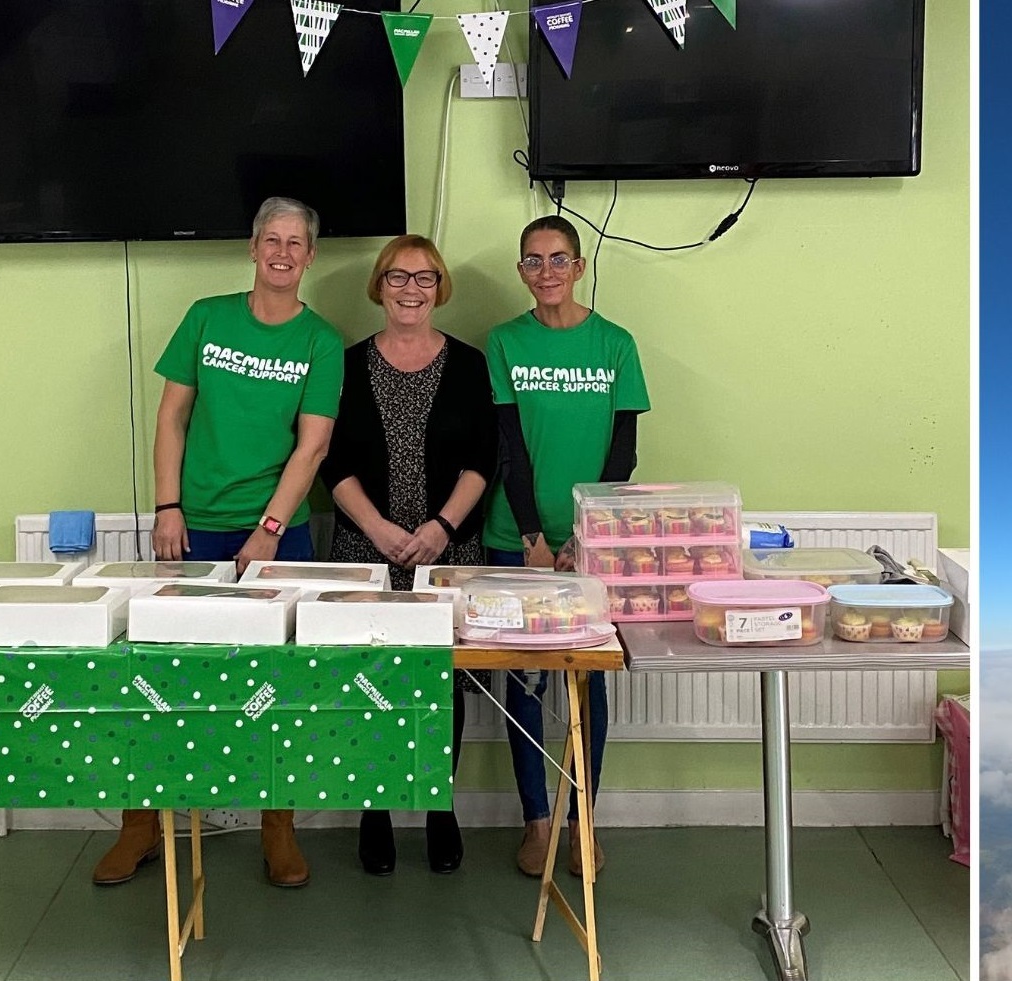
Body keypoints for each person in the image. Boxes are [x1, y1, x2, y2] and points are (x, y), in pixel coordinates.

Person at [94, 197, 345, 889]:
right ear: (253, 247)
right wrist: (168, 505)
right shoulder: (207, 317)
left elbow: (313, 443)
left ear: (311, 256)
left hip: (278, 533)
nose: (283, 253)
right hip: (192, 526)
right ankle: (141, 824)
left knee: (281, 686)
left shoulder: (320, 341)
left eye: (297, 242)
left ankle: (278, 828)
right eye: (272, 239)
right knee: (159, 678)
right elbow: (172, 415)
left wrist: (267, 529)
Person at [319, 234, 496, 877]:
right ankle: (376, 807)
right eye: (398, 277)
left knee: (442, 682)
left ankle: (437, 805)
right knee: (372, 680)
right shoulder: (345, 364)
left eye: (425, 278)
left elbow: (484, 458)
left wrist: (442, 527)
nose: (411, 290)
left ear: (440, 287)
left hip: (448, 549)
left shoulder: (471, 365)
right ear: (379, 286)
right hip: (365, 551)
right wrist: (380, 530)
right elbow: (332, 463)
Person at [482, 214, 649, 877]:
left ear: (578, 267)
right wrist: (532, 536)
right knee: (522, 685)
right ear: (520, 270)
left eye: (557, 259)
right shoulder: (504, 342)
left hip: (590, 547)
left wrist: (584, 538)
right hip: (513, 539)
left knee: (585, 689)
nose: (545, 271)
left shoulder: (615, 343)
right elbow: (507, 446)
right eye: (532, 260)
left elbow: (623, 450)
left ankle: (582, 819)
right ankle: (536, 820)